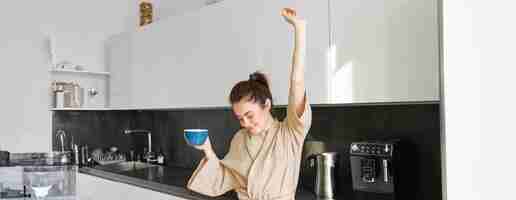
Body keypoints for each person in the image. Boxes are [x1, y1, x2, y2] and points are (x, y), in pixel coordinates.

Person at [187, 8, 312, 200]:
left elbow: (297, 82)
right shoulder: (239, 139)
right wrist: (207, 149)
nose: (245, 123)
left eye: (250, 115)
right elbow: (225, 176)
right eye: (240, 118)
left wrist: (299, 30)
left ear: (267, 105)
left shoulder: (290, 133)